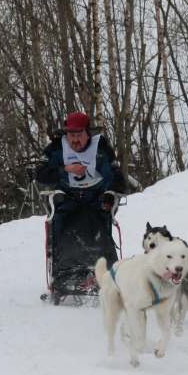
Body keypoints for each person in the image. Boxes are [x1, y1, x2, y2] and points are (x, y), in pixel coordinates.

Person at [35, 111, 126, 291]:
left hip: (96, 197)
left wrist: (109, 194)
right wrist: (64, 169)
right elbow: (40, 174)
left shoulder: (100, 147)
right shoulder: (56, 148)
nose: (74, 140)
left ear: (87, 133)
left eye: (79, 135)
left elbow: (117, 178)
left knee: (97, 218)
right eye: (71, 135)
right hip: (68, 197)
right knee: (64, 220)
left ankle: (106, 274)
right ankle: (65, 274)